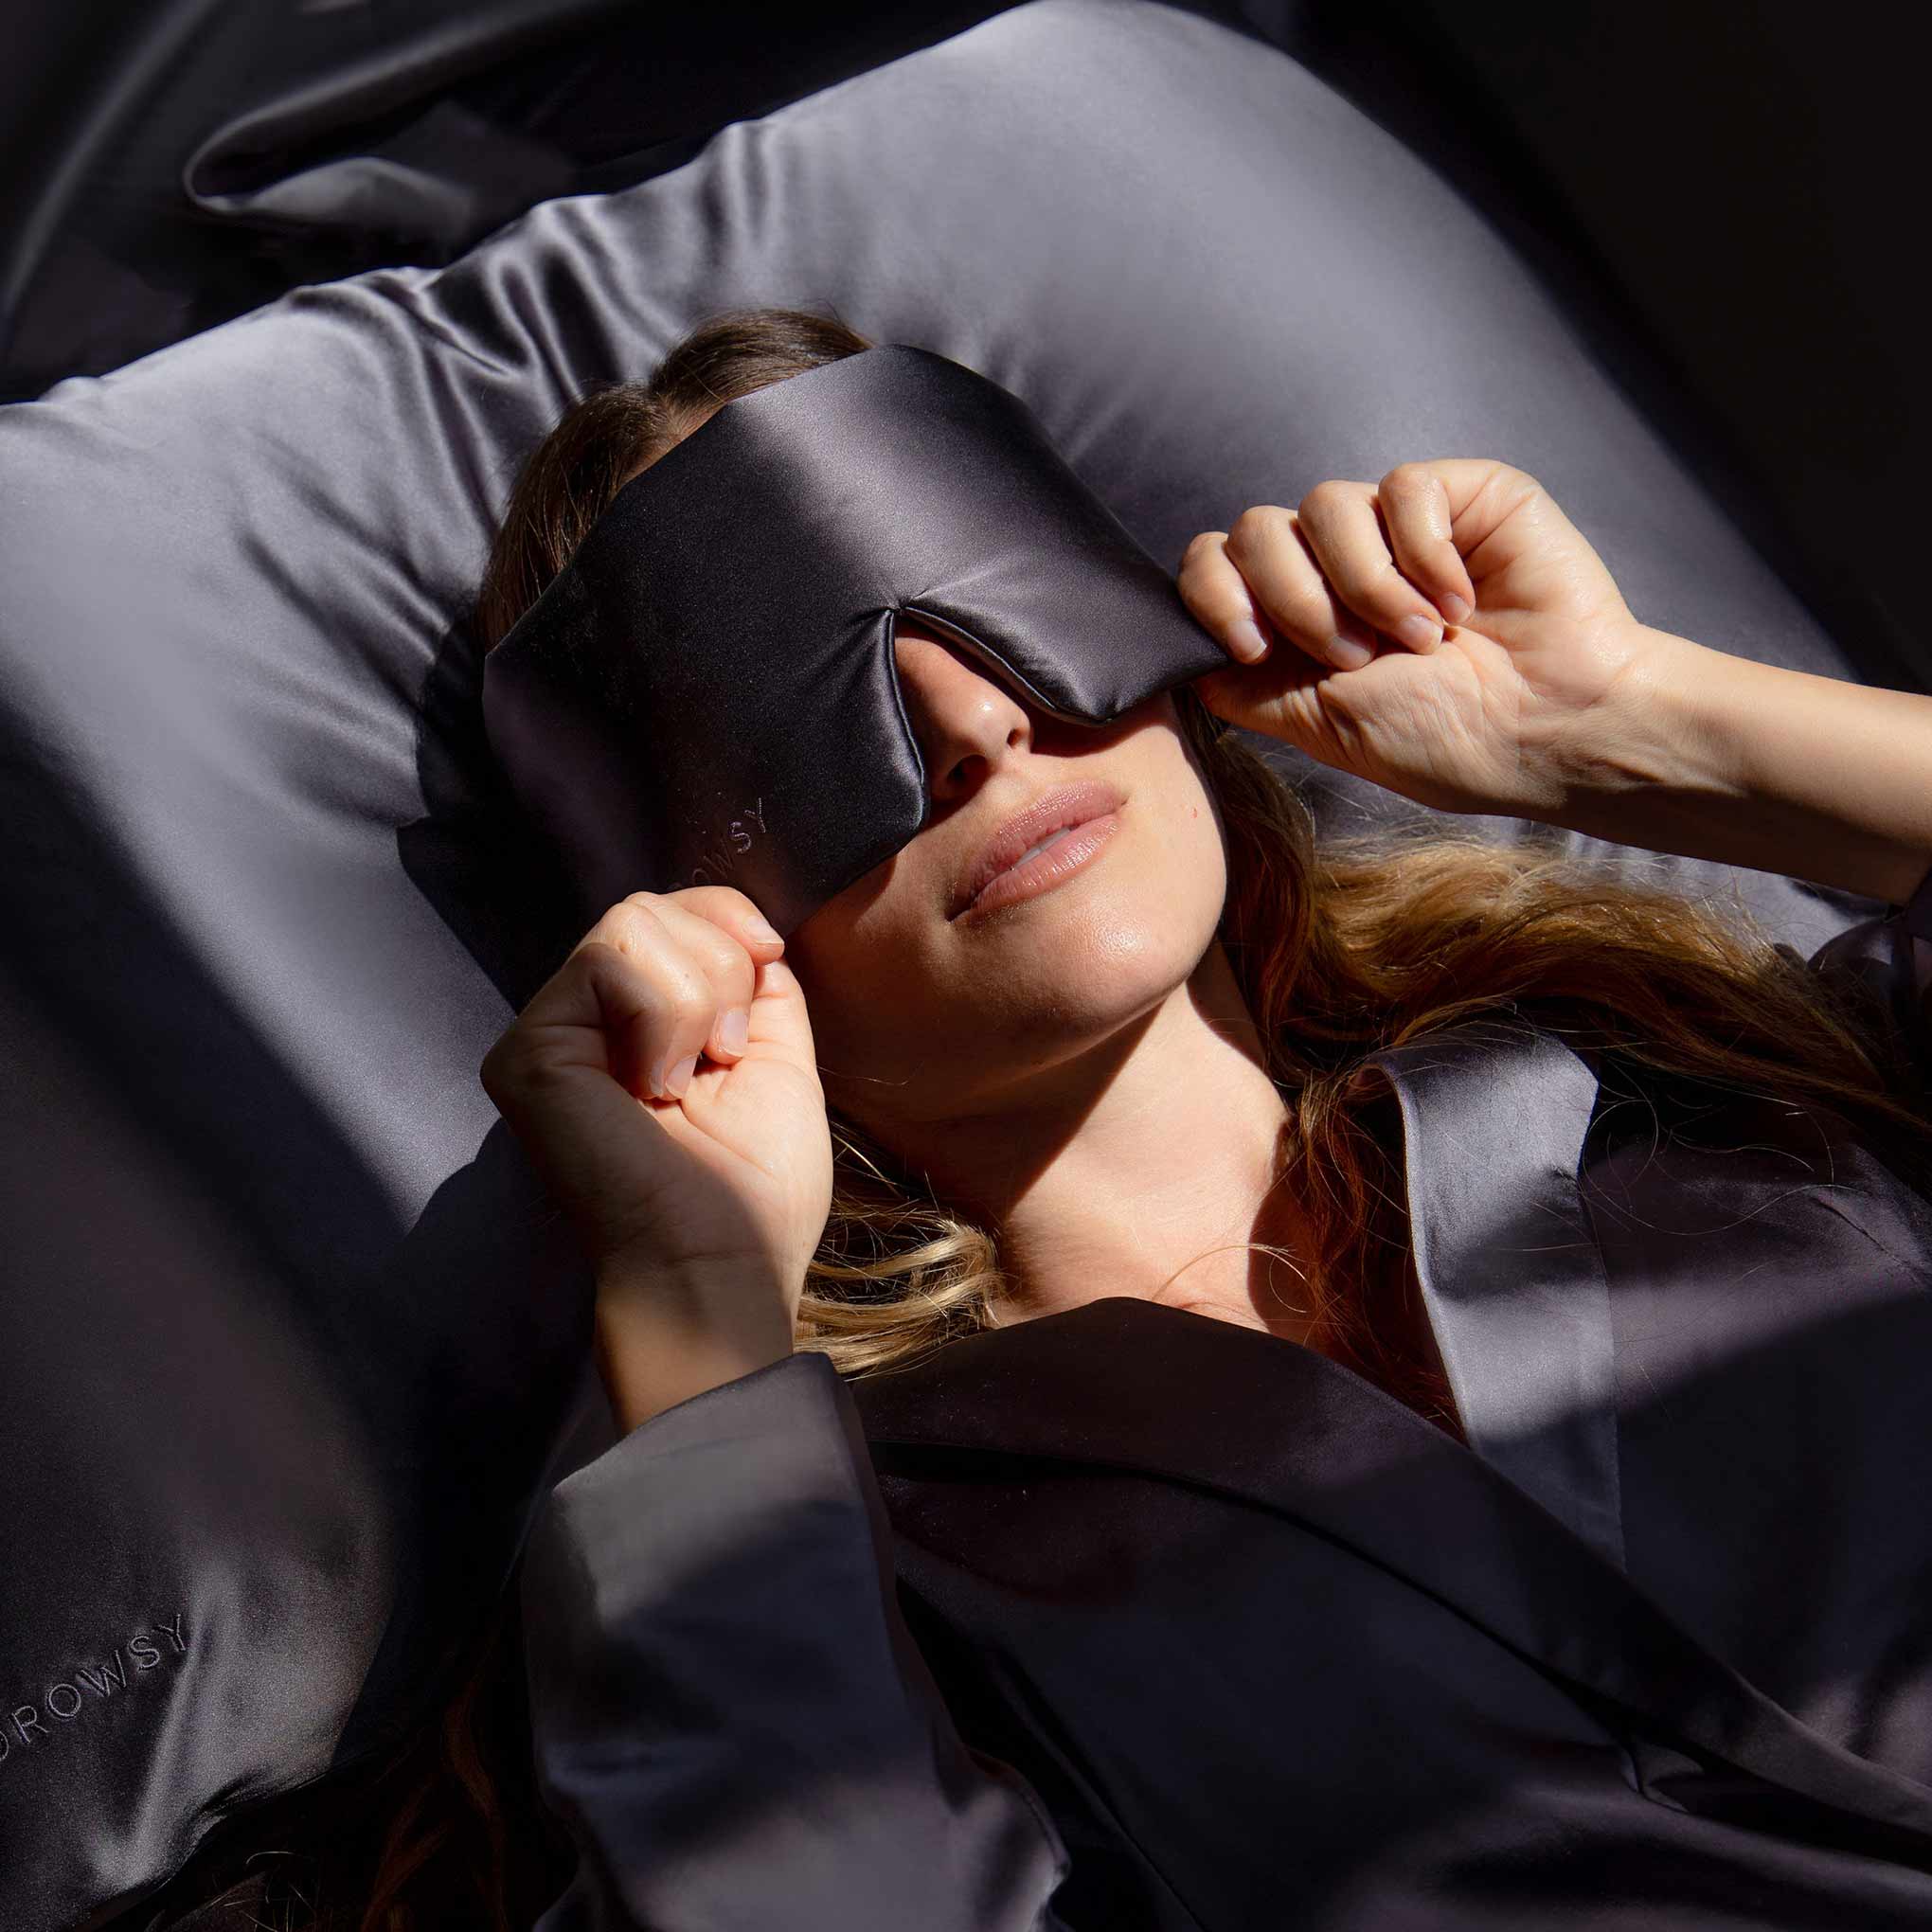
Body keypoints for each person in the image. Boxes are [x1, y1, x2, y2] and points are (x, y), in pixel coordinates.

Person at [138, 304, 1932, 1930]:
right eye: (790, 711)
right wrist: (691, 1303)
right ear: (678, 910)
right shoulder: (860, 1558)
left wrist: (1645, 727)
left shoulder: (1717, 1081)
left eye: (998, 595)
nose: (968, 723)